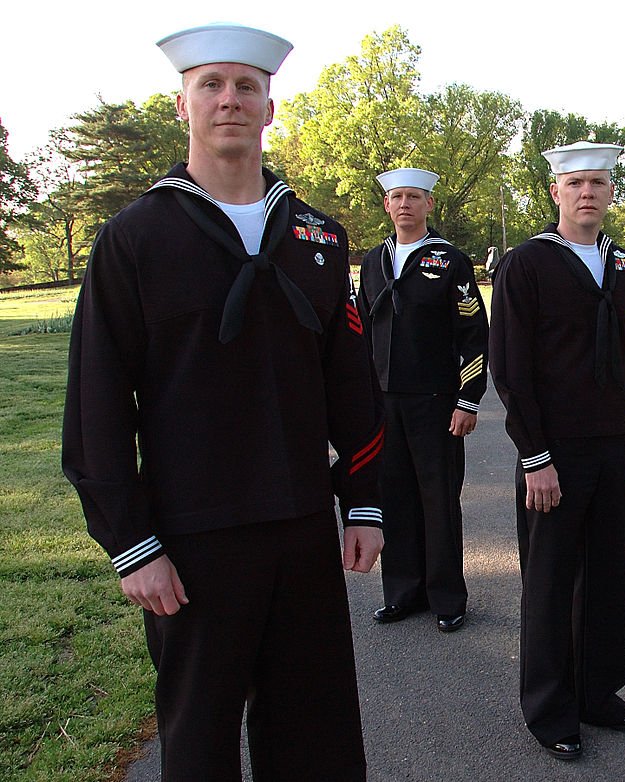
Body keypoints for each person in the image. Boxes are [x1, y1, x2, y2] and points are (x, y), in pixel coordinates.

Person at [61, 23, 384, 781]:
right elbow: (97, 403)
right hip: (193, 537)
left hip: (303, 525)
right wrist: (131, 544)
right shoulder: (134, 239)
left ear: (270, 108)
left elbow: (352, 382)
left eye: (246, 87)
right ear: (183, 105)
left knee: (316, 733)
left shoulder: (320, 239)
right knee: (200, 741)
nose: (229, 100)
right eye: (212, 85)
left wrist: (364, 501)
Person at [489, 141, 625, 761]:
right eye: (576, 184)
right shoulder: (526, 265)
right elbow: (511, 370)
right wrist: (535, 457)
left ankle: (596, 692)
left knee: (607, 576)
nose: (588, 193)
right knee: (551, 581)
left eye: (599, 183)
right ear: (556, 191)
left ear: (612, 191)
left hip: (609, 446)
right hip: (553, 452)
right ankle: (549, 707)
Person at [357, 167, 487, 633]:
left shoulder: (450, 262)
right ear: (387, 206)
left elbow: (474, 335)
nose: (405, 204)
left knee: (438, 501)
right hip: (384, 402)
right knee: (394, 499)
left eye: (414, 196)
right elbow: (361, 331)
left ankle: (447, 597)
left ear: (430, 205)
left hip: (435, 402)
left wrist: (467, 400)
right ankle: (402, 593)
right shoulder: (373, 262)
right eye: (397, 196)